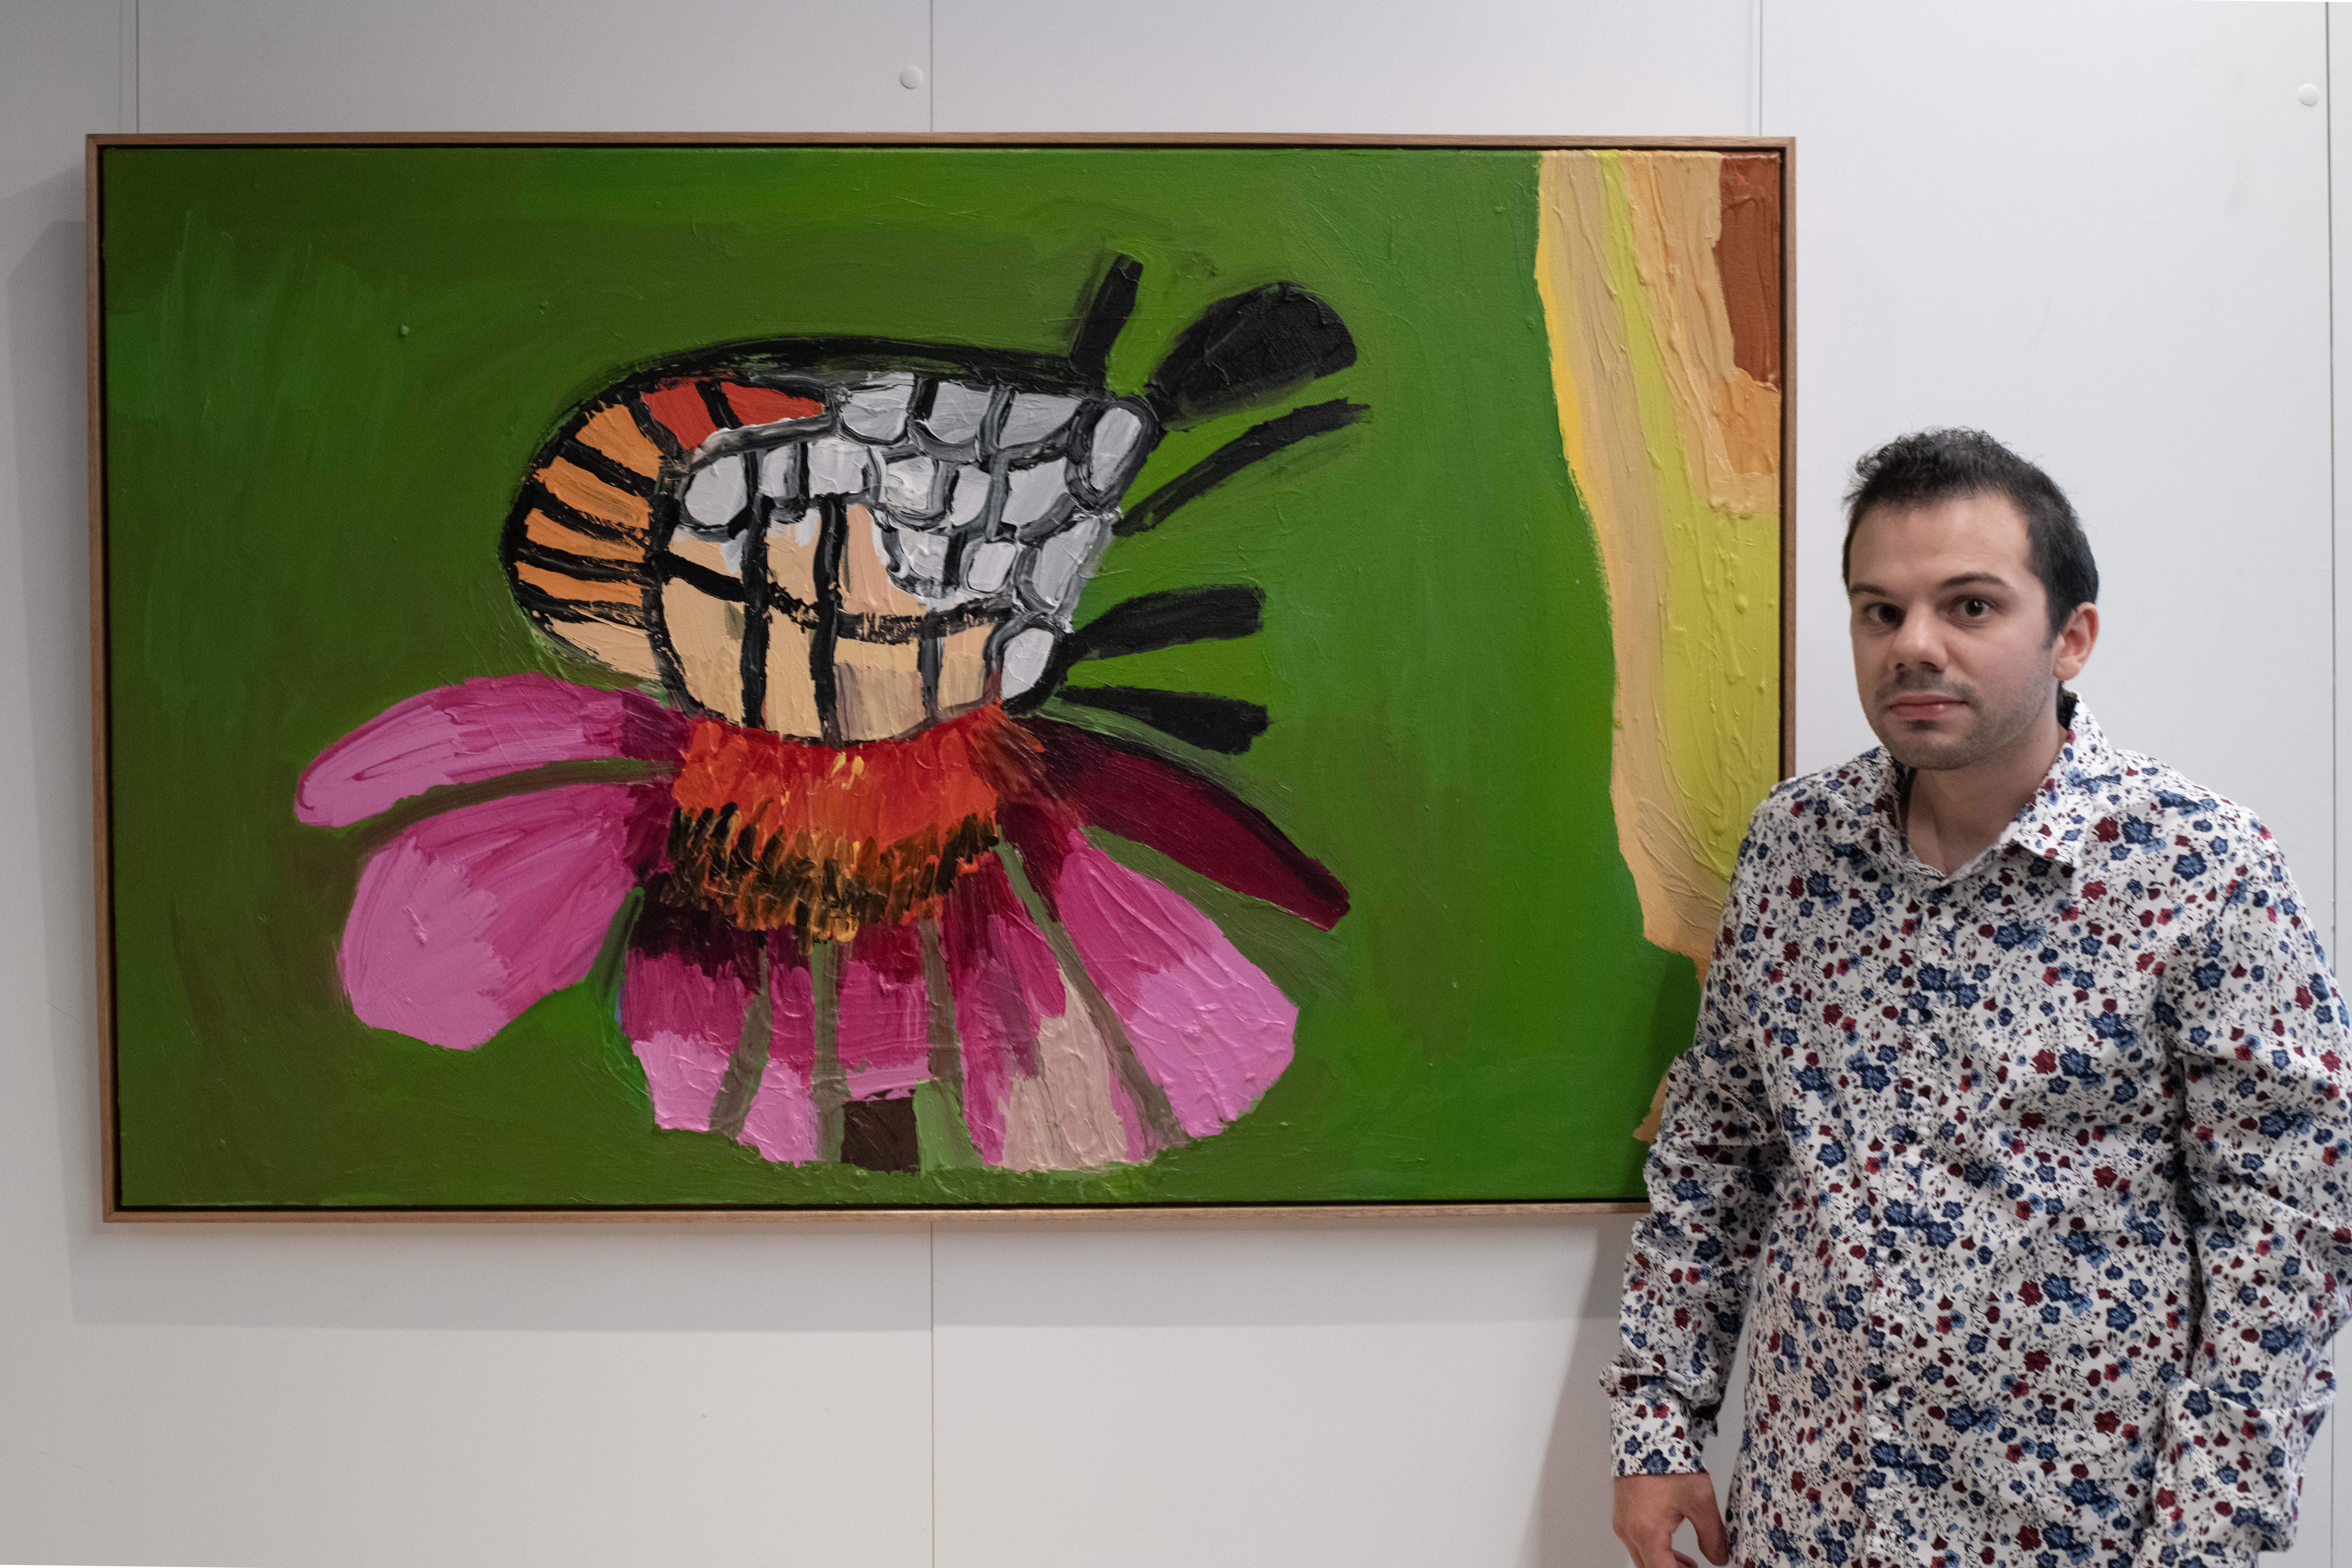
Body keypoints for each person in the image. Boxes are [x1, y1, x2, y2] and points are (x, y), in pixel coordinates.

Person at [1606, 429, 2352, 1568]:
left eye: (1968, 606)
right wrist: (1657, 1429)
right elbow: (1718, 1156)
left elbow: (2288, 1232)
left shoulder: (2200, 867)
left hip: (2082, 1533)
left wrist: (2208, 1539)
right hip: (1816, 1520)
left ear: (2071, 637)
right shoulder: (1792, 852)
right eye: (1878, 611)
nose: (1914, 645)